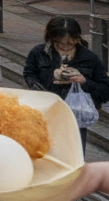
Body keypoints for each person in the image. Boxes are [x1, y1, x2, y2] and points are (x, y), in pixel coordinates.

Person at [24, 16, 109, 150]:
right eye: (59, 43)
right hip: (45, 113)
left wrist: (84, 81)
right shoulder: (39, 53)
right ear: (51, 39)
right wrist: (37, 86)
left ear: (77, 39)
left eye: (70, 44)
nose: (65, 47)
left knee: (73, 157)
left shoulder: (89, 58)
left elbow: (105, 90)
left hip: (74, 119)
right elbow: (29, 73)